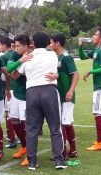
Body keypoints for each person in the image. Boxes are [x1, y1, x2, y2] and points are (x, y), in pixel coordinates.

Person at [17, 32, 67, 170]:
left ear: (33, 43)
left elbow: (17, 73)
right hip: (49, 90)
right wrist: (56, 74)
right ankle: (58, 160)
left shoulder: (27, 57)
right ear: (47, 43)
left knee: (32, 129)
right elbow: (59, 66)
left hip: (32, 92)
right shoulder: (52, 54)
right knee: (55, 128)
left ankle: (32, 161)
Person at [78, 28, 101, 151]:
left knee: (98, 113)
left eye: (95, 35)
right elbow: (82, 57)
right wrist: (80, 46)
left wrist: (90, 71)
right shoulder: (96, 50)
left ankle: (99, 143)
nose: (93, 36)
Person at [49, 33, 79, 159]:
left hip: (66, 96)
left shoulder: (66, 57)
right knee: (65, 123)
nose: (50, 45)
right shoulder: (56, 57)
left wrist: (70, 91)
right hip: (58, 95)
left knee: (64, 124)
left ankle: (64, 153)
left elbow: (76, 74)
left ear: (58, 43)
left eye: (51, 42)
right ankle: (71, 151)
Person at [9, 35, 32, 166]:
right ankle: (23, 146)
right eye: (15, 45)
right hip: (16, 94)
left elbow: (15, 75)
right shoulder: (14, 54)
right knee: (15, 121)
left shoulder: (33, 56)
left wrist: (16, 71)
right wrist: (21, 60)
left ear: (26, 46)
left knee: (27, 124)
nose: (15, 48)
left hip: (28, 95)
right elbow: (10, 69)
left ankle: (30, 153)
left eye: (18, 46)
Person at [0, 38, 17, 149]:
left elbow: (6, 75)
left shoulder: (3, 57)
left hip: (11, 89)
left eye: (0, 45)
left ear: (3, 45)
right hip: (22, 89)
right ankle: (19, 137)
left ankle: (12, 139)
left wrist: (7, 89)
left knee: (9, 114)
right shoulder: (18, 54)